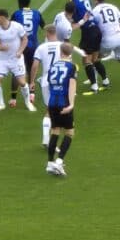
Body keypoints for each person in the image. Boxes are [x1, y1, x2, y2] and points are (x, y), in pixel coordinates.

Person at [66, 0, 107, 94]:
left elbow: (74, 17)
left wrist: (71, 24)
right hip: (96, 30)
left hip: (88, 32)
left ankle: (94, 86)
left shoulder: (73, 1)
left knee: (86, 59)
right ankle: (105, 81)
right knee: (95, 59)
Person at [44, 42, 78, 177]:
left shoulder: (53, 66)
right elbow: (72, 85)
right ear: (70, 54)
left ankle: (50, 163)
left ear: (60, 52)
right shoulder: (72, 67)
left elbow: (48, 84)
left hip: (52, 102)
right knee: (69, 132)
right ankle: (59, 161)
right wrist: (71, 104)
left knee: (55, 130)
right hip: (64, 103)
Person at [0, 8, 33, 113]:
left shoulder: (17, 26)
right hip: (3, 60)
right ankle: (1, 104)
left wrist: (20, 51)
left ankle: (27, 103)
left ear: (2, 17)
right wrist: (1, 48)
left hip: (16, 60)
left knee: (22, 83)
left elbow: (25, 39)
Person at [32, 24, 64, 148]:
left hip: (46, 81)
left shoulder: (41, 47)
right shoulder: (63, 46)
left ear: (47, 33)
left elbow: (35, 65)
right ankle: (52, 141)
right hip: (60, 81)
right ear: (56, 32)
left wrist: (32, 81)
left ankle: (46, 138)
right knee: (58, 112)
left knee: (49, 110)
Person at [10, 0, 44, 107]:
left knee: (16, 71)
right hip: (33, 45)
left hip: (20, 46)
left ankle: (13, 99)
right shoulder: (37, 12)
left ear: (19, 3)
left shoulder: (16, 14)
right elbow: (44, 27)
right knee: (31, 70)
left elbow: (10, 28)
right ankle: (32, 94)